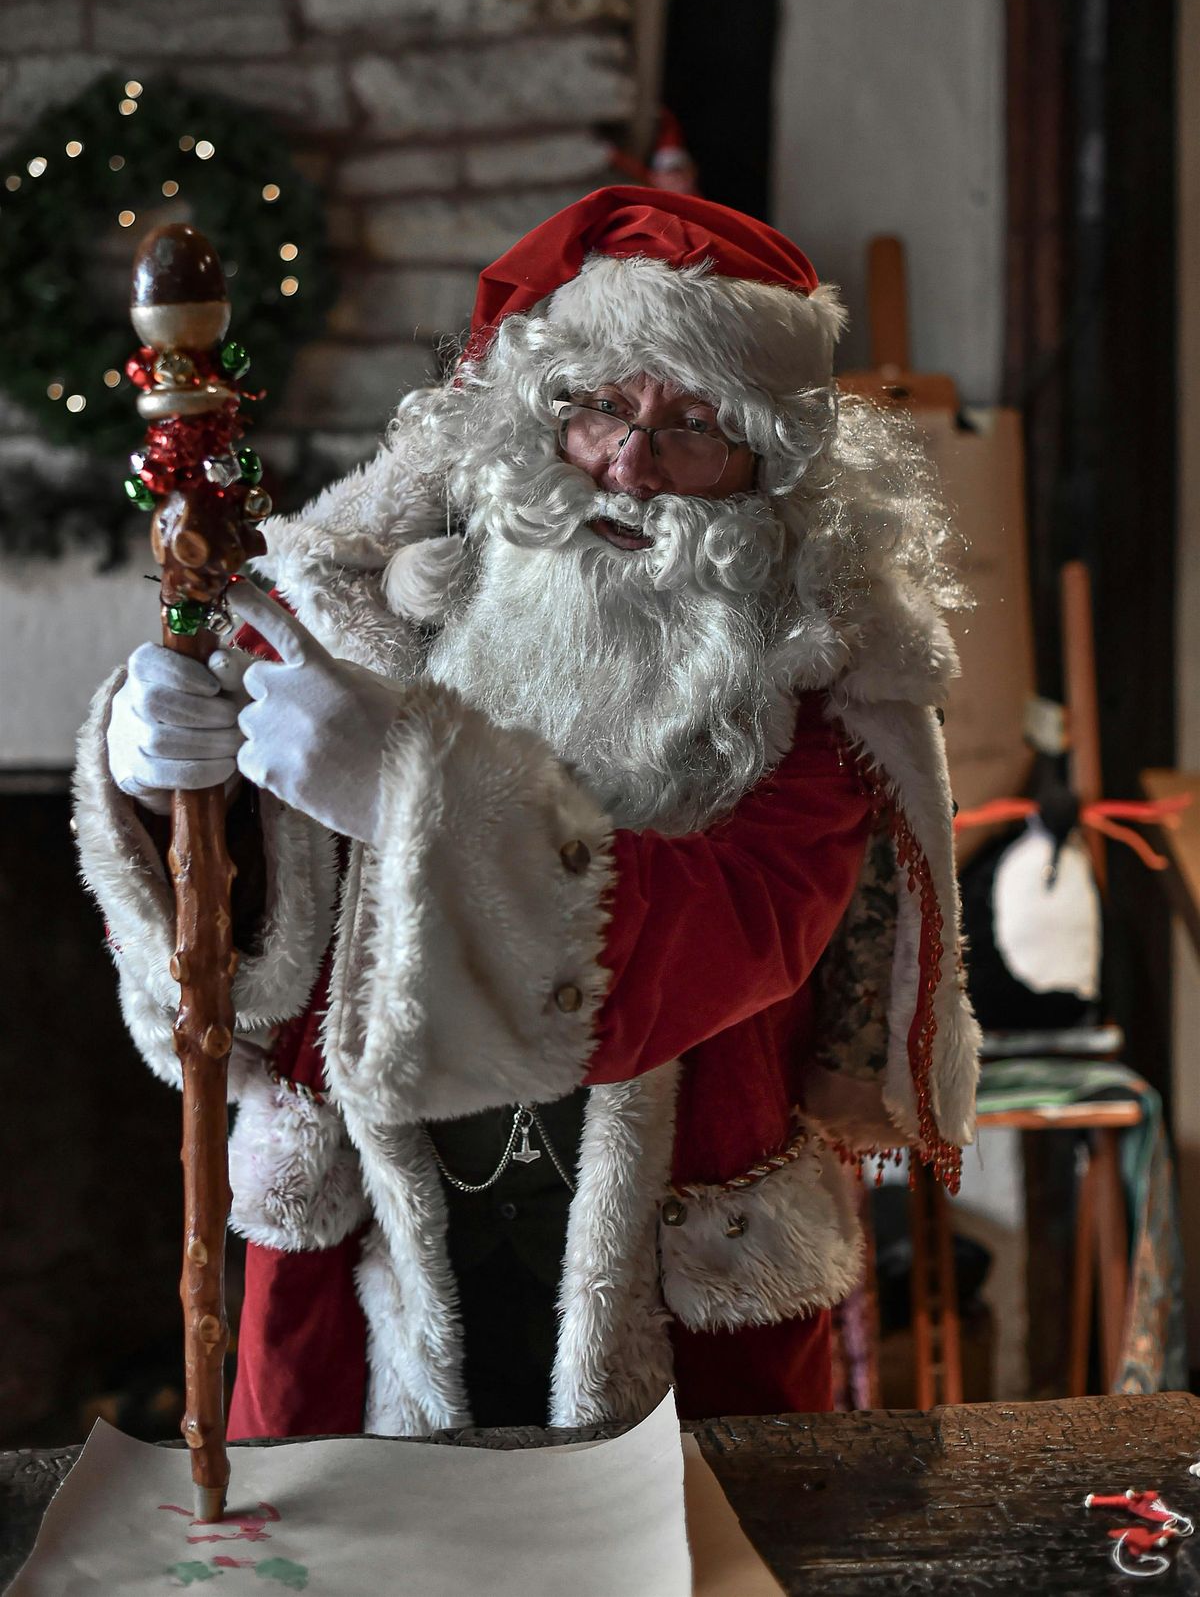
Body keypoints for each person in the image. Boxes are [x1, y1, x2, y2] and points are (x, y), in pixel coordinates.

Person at [74, 186, 980, 1438]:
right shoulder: (378, 613)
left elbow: (719, 941)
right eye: (602, 404)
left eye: (695, 424)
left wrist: (405, 790)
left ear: (769, 469)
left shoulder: (819, 698)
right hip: (368, 1270)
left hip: (670, 1289)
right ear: (537, 413)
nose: (630, 462)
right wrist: (162, 769)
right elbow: (244, 984)